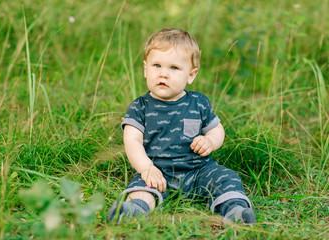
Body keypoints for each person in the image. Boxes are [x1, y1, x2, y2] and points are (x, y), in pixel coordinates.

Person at [108, 28, 256, 225]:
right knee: (141, 189)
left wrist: (210, 141)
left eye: (174, 68)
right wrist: (146, 169)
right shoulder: (140, 107)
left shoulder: (199, 102)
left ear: (191, 75)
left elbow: (216, 129)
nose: (163, 74)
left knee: (226, 178)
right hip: (158, 172)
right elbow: (132, 140)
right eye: (156, 65)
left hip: (199, 170)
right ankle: (133, 210)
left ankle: (236, 211)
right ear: (145, 69)